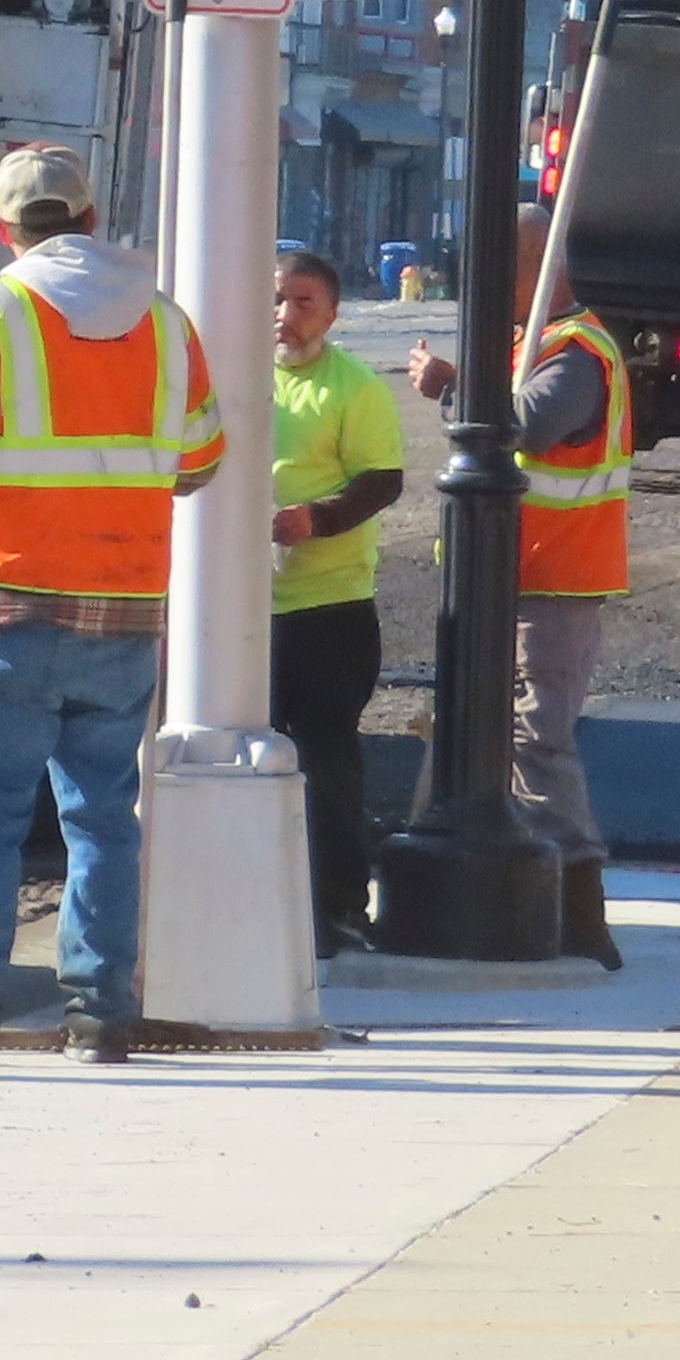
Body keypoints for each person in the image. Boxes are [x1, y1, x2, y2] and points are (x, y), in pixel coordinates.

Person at [0, 142, 227, 1065]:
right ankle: (100, 1013)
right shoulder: (166, 325)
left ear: (6, 232)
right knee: (103, 818)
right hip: (119, 612)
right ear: (88, 220)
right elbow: (199, 463)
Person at [408, 201, 629, 957]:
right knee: (465, 729)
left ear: (547, 272)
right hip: (499, 578)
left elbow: (520, 426)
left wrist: (449, 386)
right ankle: (429, 870)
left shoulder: (575, 353)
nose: (494, 286)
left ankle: (577, 903)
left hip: (552, 583)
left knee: (536, 743)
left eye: (512, 269)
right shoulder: (528, 344)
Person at [268, 249, 407, 952]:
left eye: (302, 304)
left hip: (329, 606)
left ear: (331, 315)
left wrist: (315, 519)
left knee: (326, 763)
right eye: (276, 301)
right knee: (242, 757)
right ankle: (256, 900)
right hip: (244, 611)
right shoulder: (232, 377)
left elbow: (382, 481)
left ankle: (337, 908)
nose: (283, 318)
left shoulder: (352, 387)